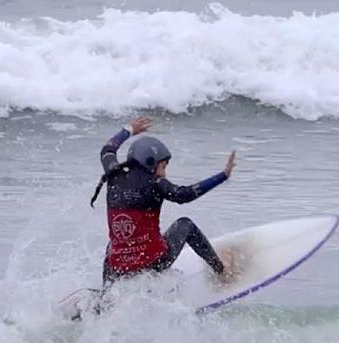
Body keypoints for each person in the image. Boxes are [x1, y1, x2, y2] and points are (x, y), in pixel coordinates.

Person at [90, 116, 236, 288]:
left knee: (113, 247)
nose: (164, 174)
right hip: (154, 264)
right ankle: (221, 272)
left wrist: (129, 130)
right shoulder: (155, 183)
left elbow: (107, 150)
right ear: (150, 161)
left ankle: (106, 293)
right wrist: (222, 176)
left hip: (119, 268)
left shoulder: (113, 175)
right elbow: (185, 194)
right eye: (164, 166)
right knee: (186, 225)